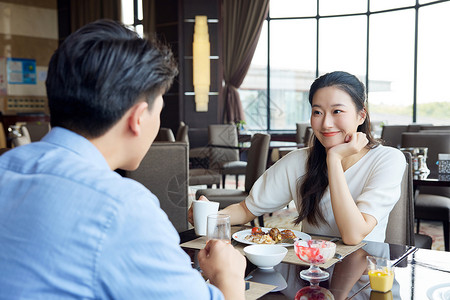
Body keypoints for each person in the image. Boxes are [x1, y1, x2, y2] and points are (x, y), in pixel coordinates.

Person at [0, 19, 245, 299]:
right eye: (159, 110)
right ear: (138, 118)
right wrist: (229, 274)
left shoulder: (5, 167)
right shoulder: (122, 209)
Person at [191, 71, 405, 245]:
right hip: (310, 272)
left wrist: (334, 160)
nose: (326, 123)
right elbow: (247, 209)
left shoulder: (388, 160)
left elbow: (353, 235)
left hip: (364, 276)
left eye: (337, 111)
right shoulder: (298, 161)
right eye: (317, 112)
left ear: (361, 115)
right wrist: (211, 217)